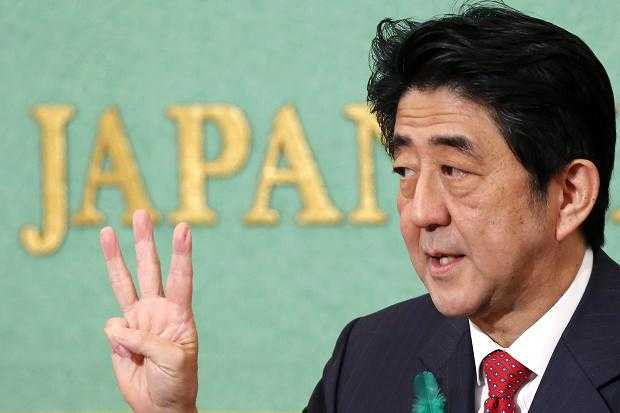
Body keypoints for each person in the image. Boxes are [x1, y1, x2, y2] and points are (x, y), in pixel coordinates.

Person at [101, 3, 618, 413]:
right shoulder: (370, 355)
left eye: (454, 170)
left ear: (569, 195)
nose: (421, 212)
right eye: (405, 171)